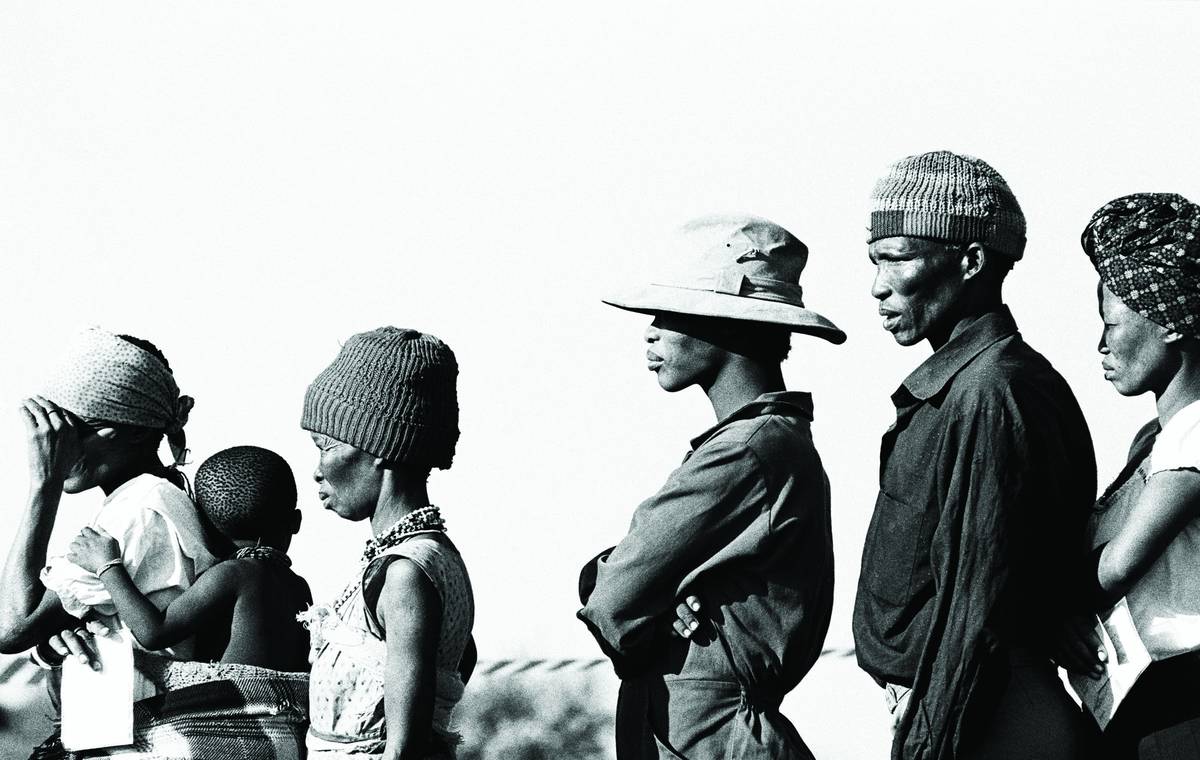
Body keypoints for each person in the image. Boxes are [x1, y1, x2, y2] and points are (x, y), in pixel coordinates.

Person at [851, 151, 1098, 759]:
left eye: (898, 257)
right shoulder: (966, 387)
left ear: (969, 262)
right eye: (873, 261)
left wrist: (929, 743)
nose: (878, 285)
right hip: (964, 708)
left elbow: (976, 604)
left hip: (986, 716)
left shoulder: (993, 391)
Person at [577, 214, 845, 759]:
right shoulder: (769, 444)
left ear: (728, 324)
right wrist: (662, 598)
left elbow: (613, 599)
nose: (651, 330)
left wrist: (643, 605)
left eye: (670, 313)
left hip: (714, 736)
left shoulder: (749, 450)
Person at [0, 328, 216, 684]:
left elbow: (11, 627)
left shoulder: (141, 507)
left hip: (150, 728)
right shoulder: (145, 499)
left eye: (71, 431)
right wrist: (54, 646)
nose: (58, 447)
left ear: (135, 430)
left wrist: (45, 484)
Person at [298, 327, 476, 760]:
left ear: (378, 447)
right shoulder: (429, 558)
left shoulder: (405, 573)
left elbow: (405, 747)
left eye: (327, 446)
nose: (318, 470)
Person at [1066, 192, 1200, 757]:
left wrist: (1048, 600)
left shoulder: (1195, 430)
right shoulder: (1154, 442)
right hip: (1145, 704)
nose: (1101, 343)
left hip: (1185, 704)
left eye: (1112, 322)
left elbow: (1118, 566)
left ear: (1169, 324)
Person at [66, 445, 312, 671]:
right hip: (283, 712)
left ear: (203, 524)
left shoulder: (232, 574)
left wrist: (108, 567)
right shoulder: (299, 586)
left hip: (233, 712)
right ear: (295, 522)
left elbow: (154, 633)